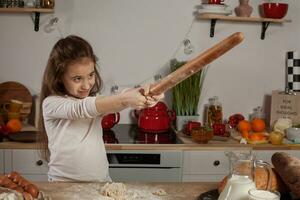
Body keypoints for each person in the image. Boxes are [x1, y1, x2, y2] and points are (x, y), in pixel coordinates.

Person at [37, 35, 164, 182]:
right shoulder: (51, 104)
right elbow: (82, 108)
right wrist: (125, 99)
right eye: (77, 79)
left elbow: (110, 100)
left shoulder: (94, 100)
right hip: (63, 185)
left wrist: (145, 94)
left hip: (101, 182)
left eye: (90, 75)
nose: (86, 85)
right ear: (59, 77)